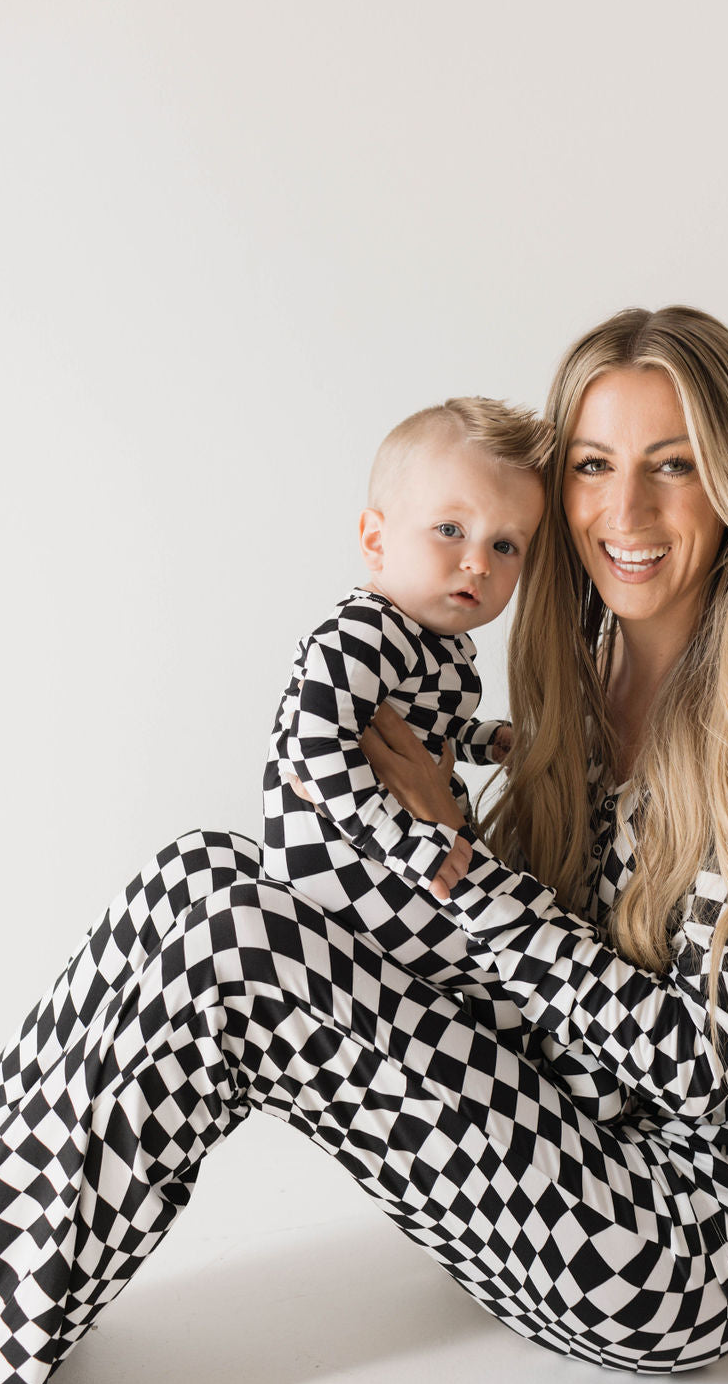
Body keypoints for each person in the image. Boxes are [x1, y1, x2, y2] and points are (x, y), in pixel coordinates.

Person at [0, 305, 728, 1384]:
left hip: (671, 1249)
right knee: (201, 872)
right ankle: (14, 1246)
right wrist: (446, 851)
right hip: (549, 1145)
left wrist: (458, 870)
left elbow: (692, 1063)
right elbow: (527, 980)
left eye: (675, 467)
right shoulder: (585, 687)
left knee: (242, 946)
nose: (627, 513)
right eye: (595, 467)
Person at [263, 394, 626, 1119]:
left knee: (487, 954)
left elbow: (427, 728)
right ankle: (578, 1084)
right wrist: (410, 842)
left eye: (506, 544)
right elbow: (314, 743)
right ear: (375, 540)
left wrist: (483, 739)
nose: (477, 562)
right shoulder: (363, 633)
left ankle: (529, 1072)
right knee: (492, 954)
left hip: (391, 861)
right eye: (451, 529)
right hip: (343, 864)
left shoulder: (438, 647)